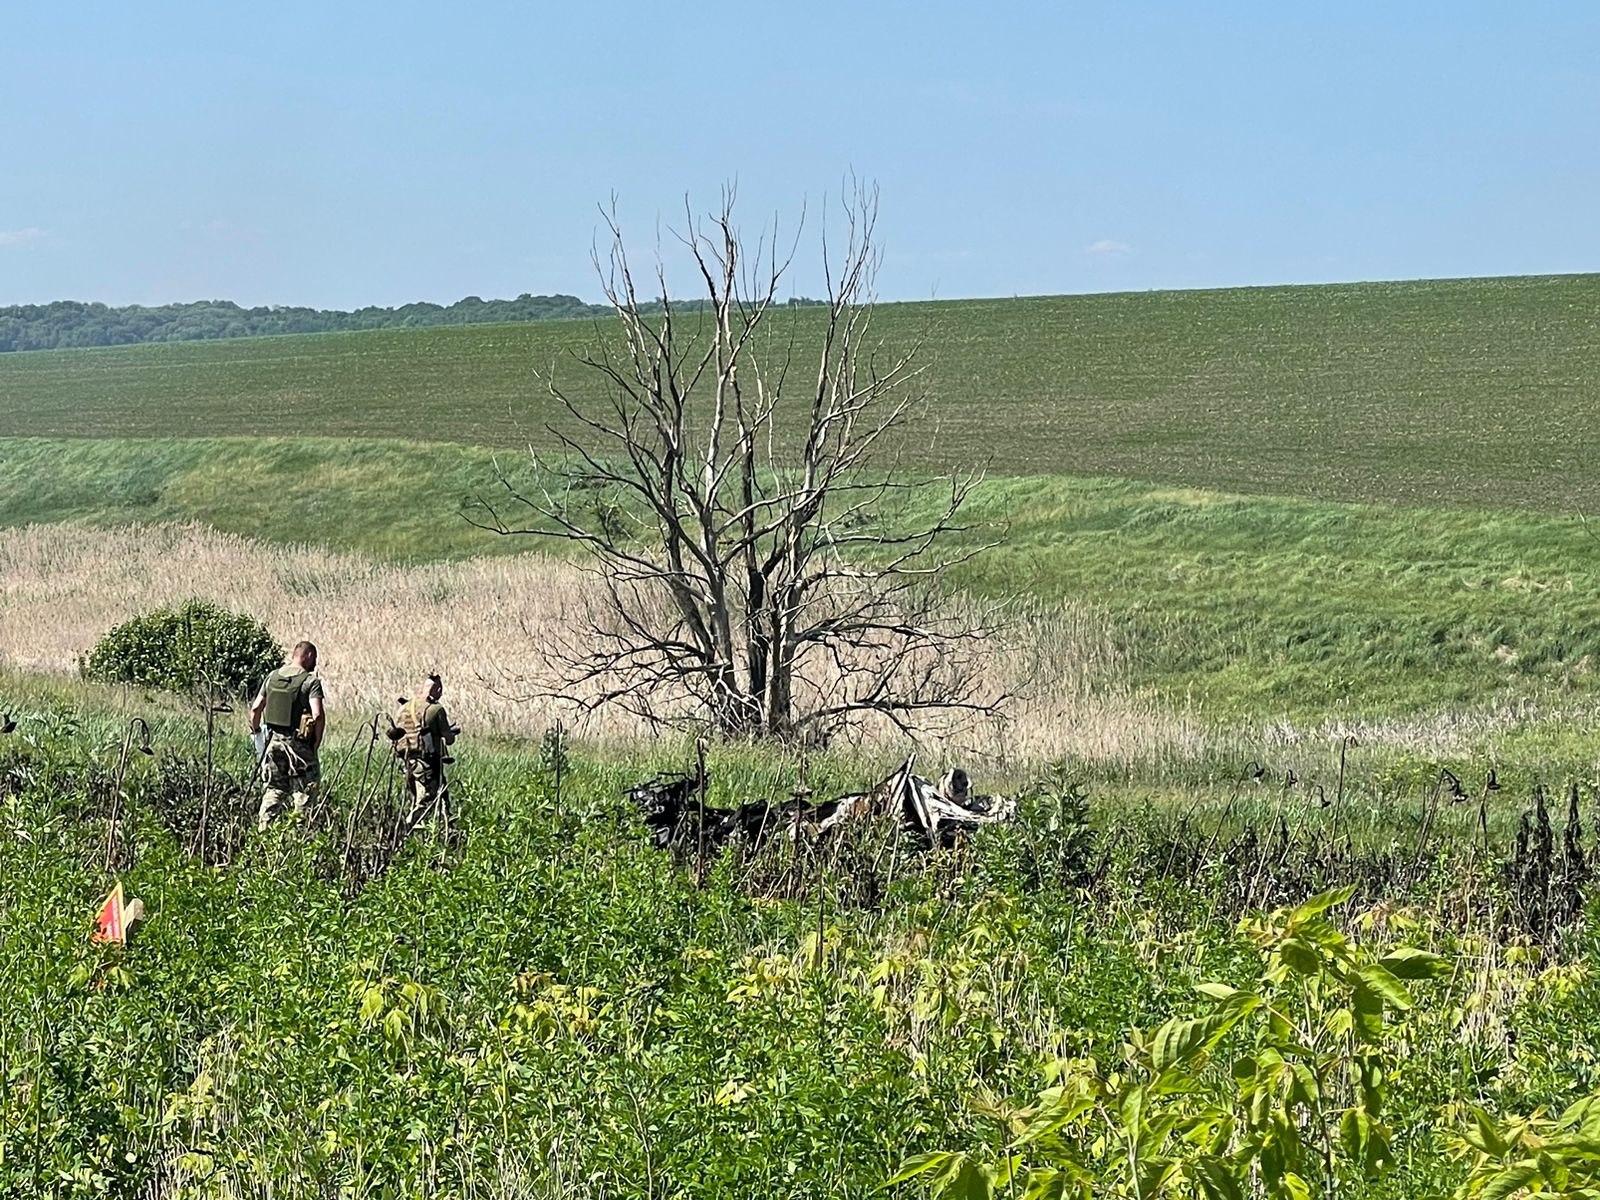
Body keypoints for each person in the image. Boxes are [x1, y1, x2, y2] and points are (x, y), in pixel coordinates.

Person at [247, 640, 325, 830]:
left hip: (273, 743)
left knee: (274, 789)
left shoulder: (273, 677)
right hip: (299, 745)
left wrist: (257, 733)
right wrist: (316, 743)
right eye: (313, 658)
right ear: (308, 656)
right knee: (305, 792)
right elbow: (318, 715)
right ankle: (301, 837)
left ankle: (264, 832)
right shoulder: (310, 682)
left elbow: (256, 708)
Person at [393, 673, 458, 829]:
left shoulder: (404, 707)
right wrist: (449, 733)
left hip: (407, 761)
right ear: (438, 690)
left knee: (416, 797)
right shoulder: (436, 709)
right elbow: (449, 739)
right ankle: (406, 829)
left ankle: (421, 831)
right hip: (427, 763)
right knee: (427, 799)